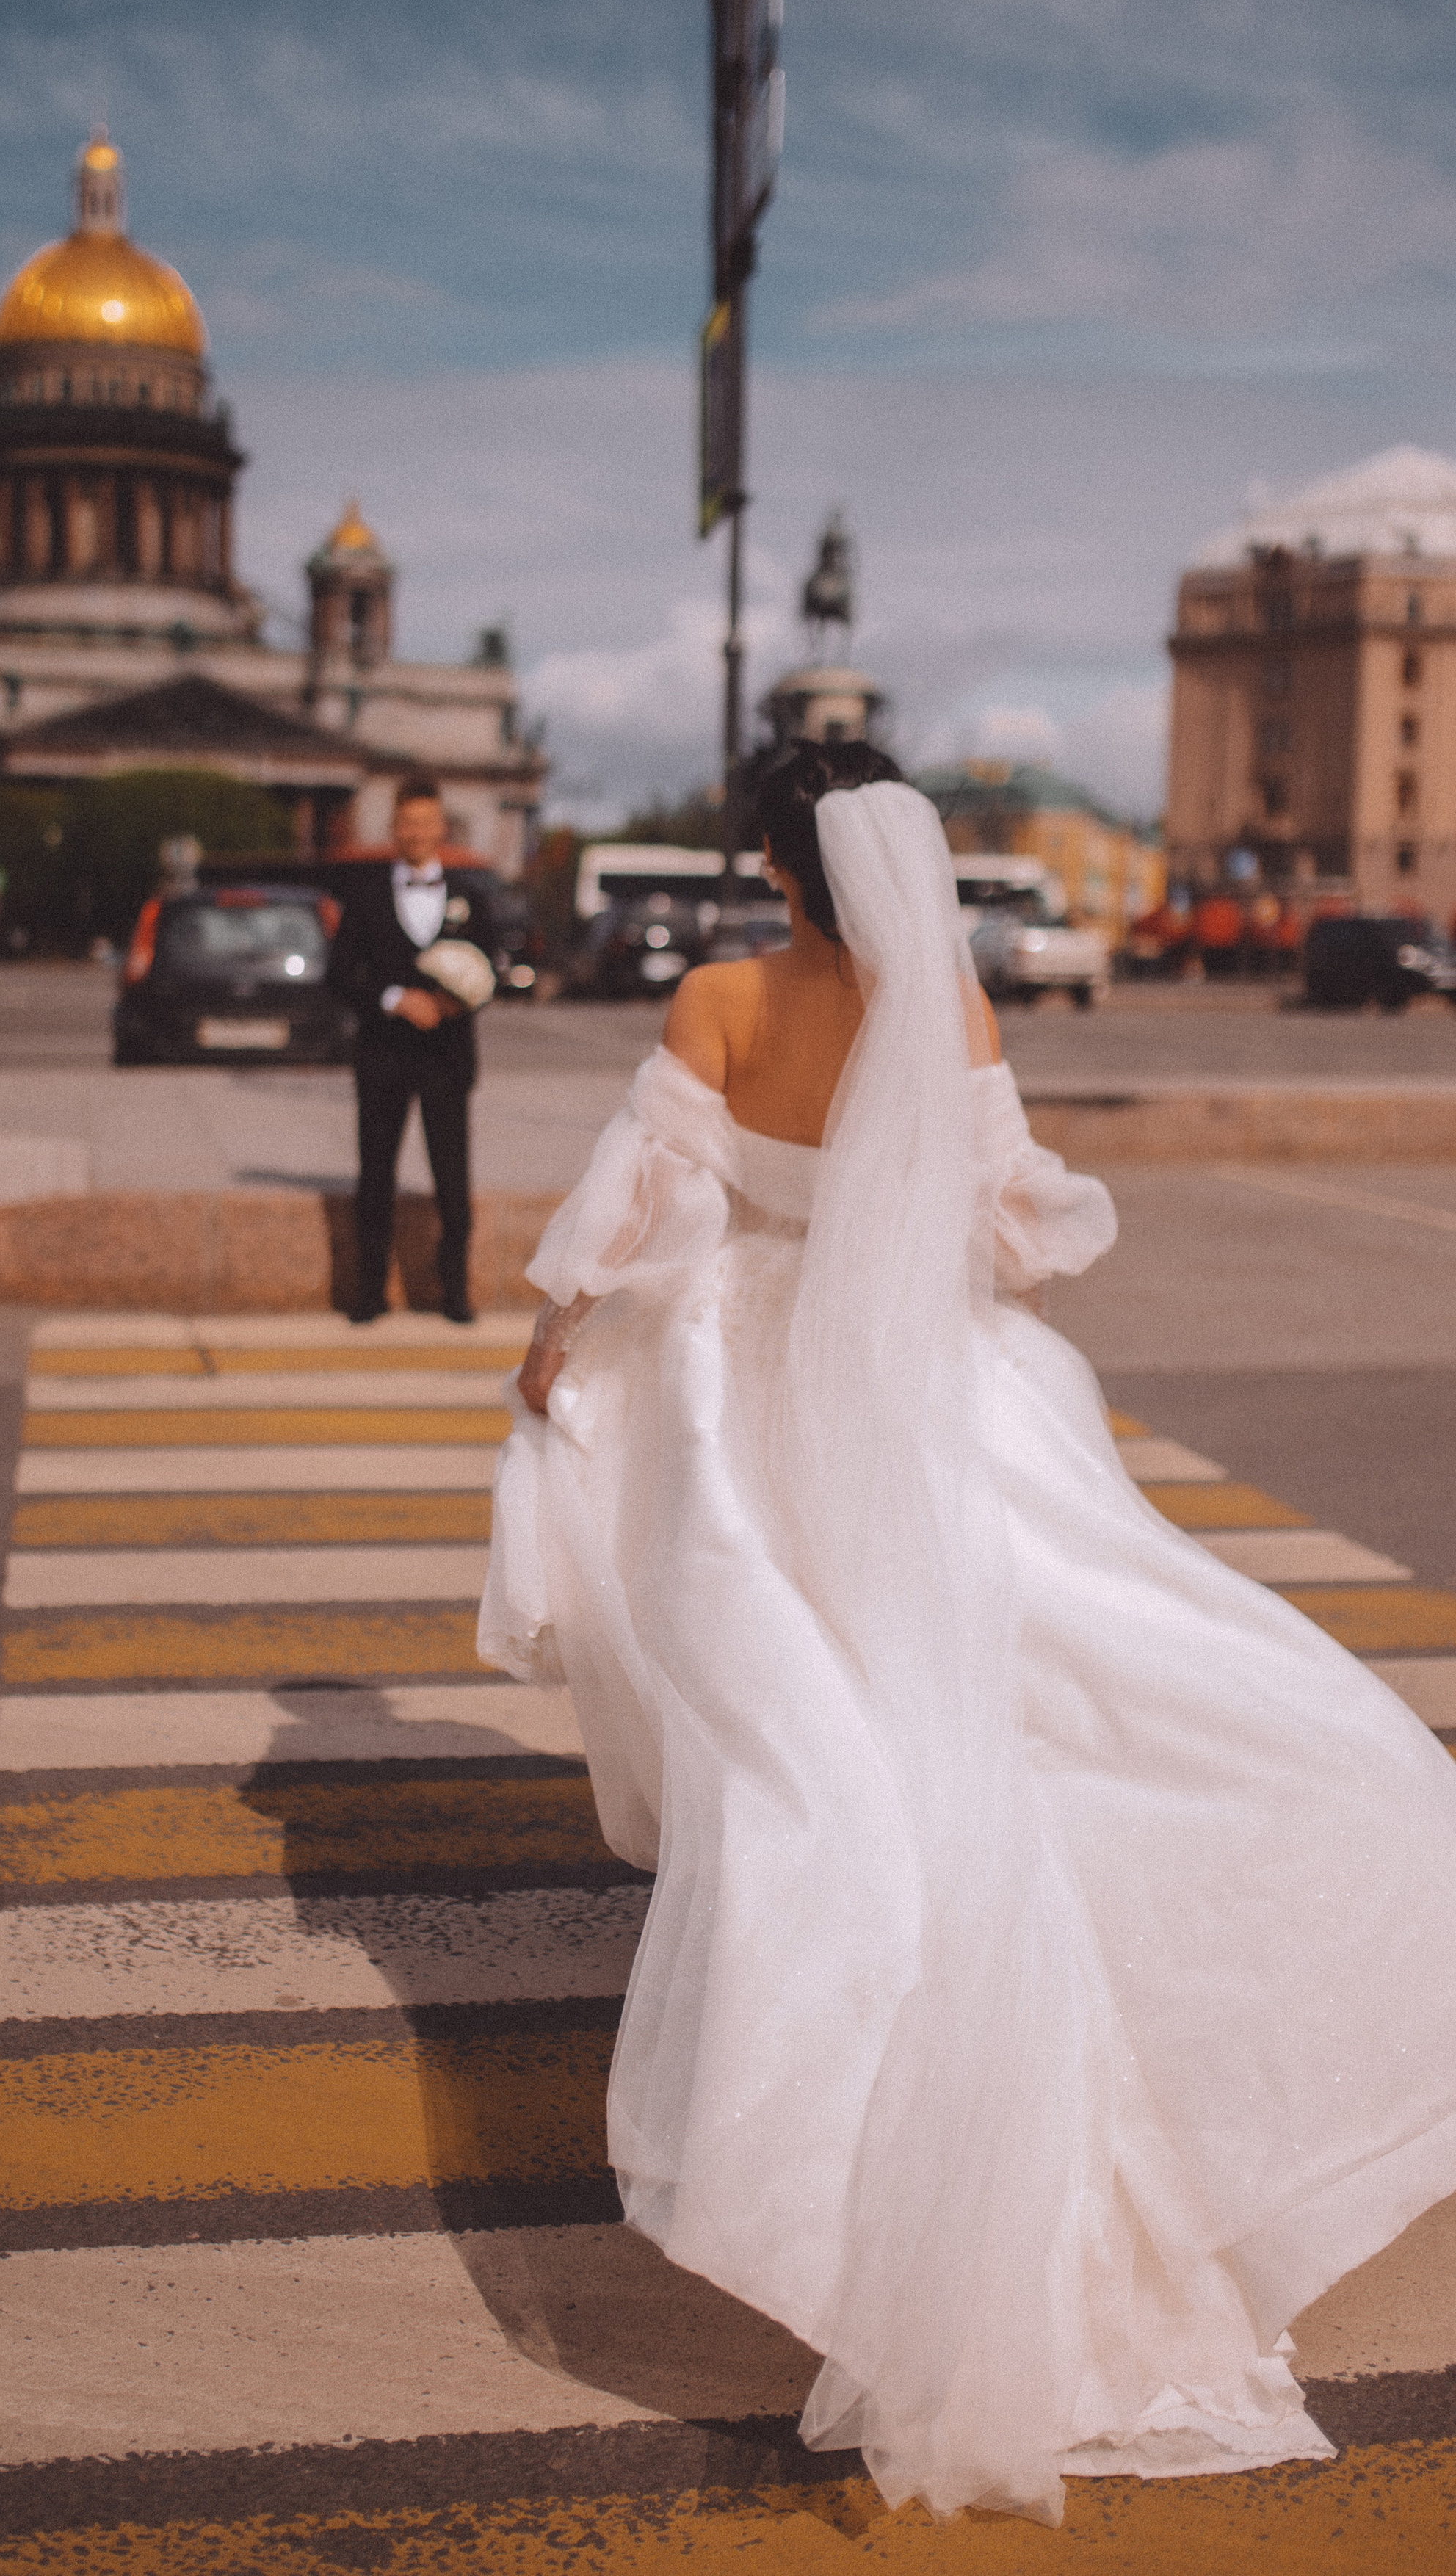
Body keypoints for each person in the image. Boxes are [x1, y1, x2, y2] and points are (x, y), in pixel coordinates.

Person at [479, 739, 1456, 2525]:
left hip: (742, 1389)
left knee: (803, 1706)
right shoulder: (953, 1014)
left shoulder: (716, 990)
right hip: (927, 1390)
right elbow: (1015, 1239)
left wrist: (551, 1345)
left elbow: (643, 1205)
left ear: (773, 863)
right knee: (1050, 1671)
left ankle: (870, 2076)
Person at [327, 777, 501, 1323]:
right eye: (407, 823)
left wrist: (451, 1005)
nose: (417, 832)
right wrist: (394, 997)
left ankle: (454, 1291)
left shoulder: (471, 897)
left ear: (441, 828)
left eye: (426, 822)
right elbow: (337, 976)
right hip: (382, 1055)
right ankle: (370, 1294)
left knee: (453, 1176)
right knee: (374, 1174)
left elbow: (491, 970)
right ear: (394, 828)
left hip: (446, 1058)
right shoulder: (366, 896)